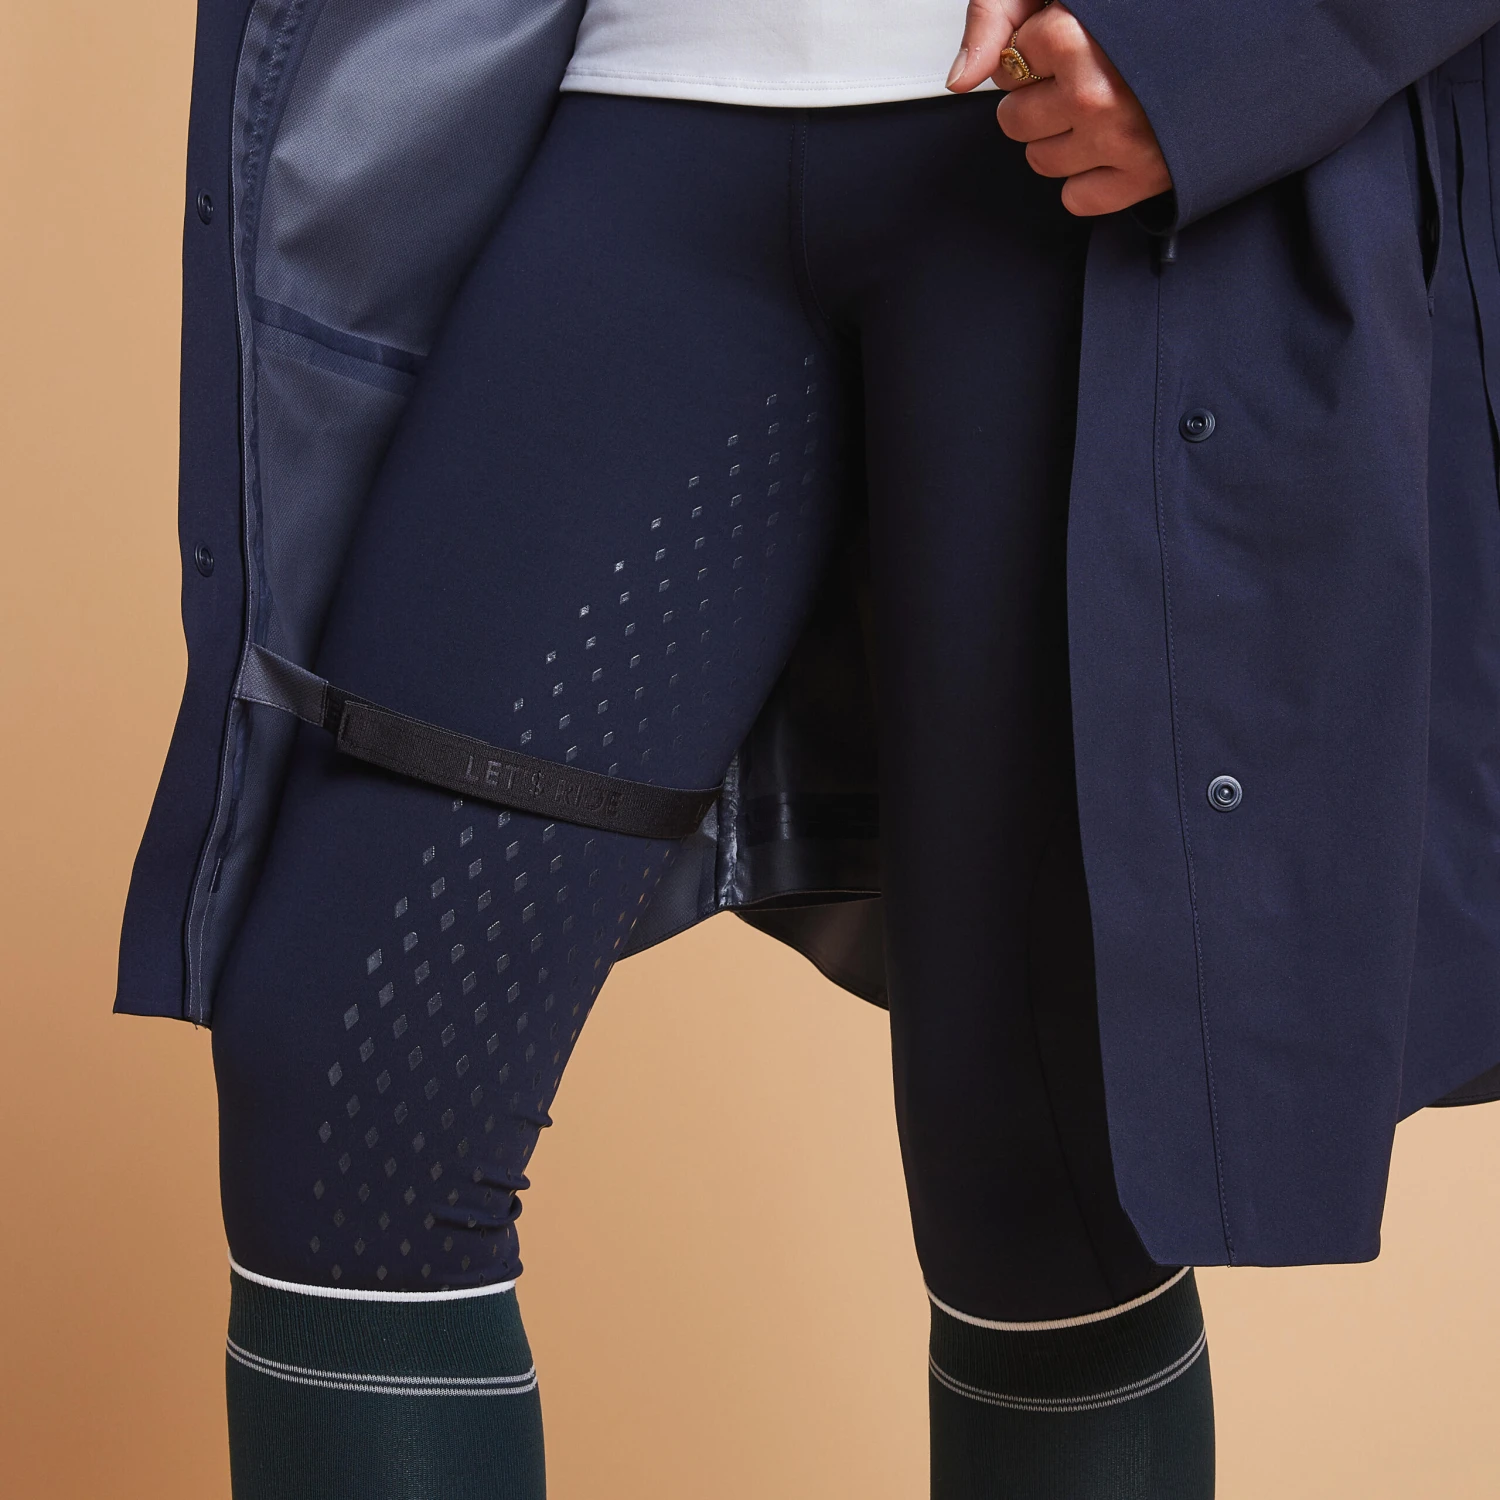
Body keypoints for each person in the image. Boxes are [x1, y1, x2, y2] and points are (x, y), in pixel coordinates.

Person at [115, 0, 1500, 1495]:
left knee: (1043, 1173)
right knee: (344, 1098)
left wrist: (1225, 38)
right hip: (643, 115)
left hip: (1065, 164)